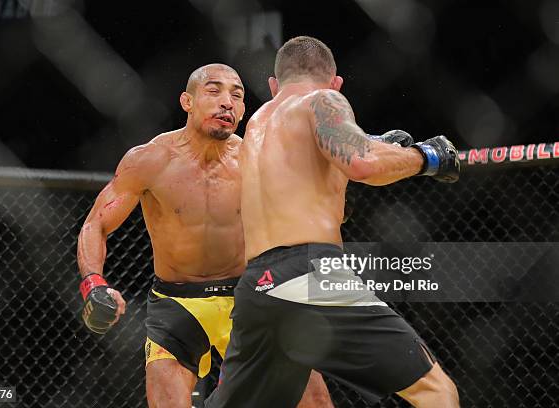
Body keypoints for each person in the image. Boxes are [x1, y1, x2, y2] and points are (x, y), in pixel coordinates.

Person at [205, 37, 461, 408]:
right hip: (311, 275)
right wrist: (426, 156)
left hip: (258, 286)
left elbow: (324, 173)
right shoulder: (323, 100)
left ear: (274, 85)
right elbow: (362, 163)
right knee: (436, 392)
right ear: (336, 82)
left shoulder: (258, 124)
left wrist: (380, 144)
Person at [76, 63, 333, 408]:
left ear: (243, 110)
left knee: (314, 400)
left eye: (237, 95)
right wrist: (94, 283)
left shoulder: (257, 159)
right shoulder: (150, 160)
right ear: (187, 101)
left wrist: (371, 144)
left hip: (247, 299)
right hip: (176, 304)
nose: (227, 102)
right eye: (214, 91)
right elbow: (97, 224)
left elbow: (322, 173)